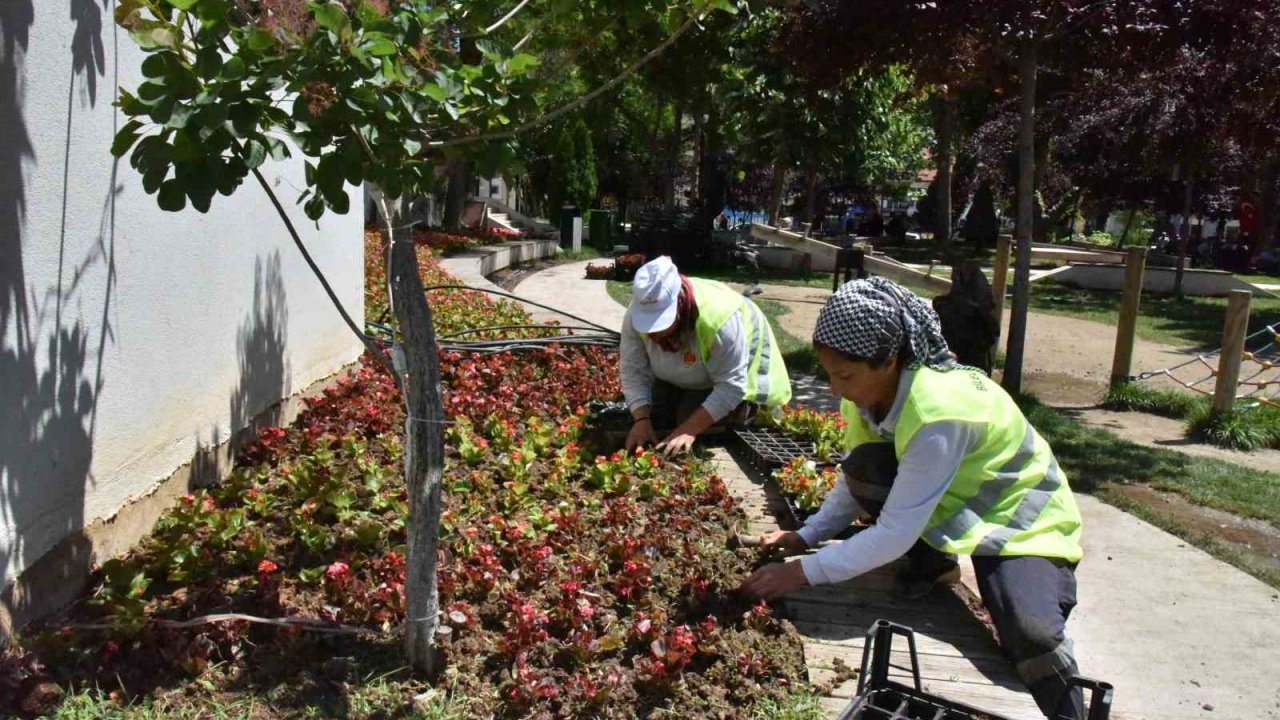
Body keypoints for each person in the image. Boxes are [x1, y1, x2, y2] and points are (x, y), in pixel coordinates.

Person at [741, 277, 1086, 720]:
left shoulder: (938, 410)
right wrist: (806, 536)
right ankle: (934, 563)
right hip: (952, 507)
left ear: (889, 362)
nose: (833, 389)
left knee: (1031, 632)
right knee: (869, 465)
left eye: (844, 375)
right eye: (829, 373)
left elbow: (893, 533)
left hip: (1022, 522)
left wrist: (800, 575)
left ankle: (1069, 710)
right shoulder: (868, 398)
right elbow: (855, 481)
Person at [620, 257, 792, 455]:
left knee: (686, 419)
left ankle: (746, 411)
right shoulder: (636, 312)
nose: (653, 334)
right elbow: (632, 369)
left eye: (660, 324)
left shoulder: (719, 320)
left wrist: (688, 430)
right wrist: (641, 420)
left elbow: (731, 386)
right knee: (658, 418)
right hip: (693, 373)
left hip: (736, 378)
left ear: (678, 304)